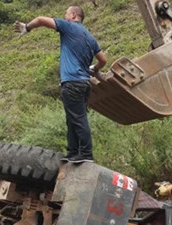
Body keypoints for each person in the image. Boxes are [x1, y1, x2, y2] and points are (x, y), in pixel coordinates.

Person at [14, 6, 107, 164]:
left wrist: (27, 27)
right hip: (84, 83)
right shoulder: (89, 37)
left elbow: (41, 20)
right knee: (72, 119)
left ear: (73, 15)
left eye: (66, 14)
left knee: (78, 119)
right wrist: (94, 69)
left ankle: (86, 154)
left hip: (72, 82)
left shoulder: (69, 26)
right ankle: (72, 152)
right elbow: (103, 60)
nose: (64, 17)